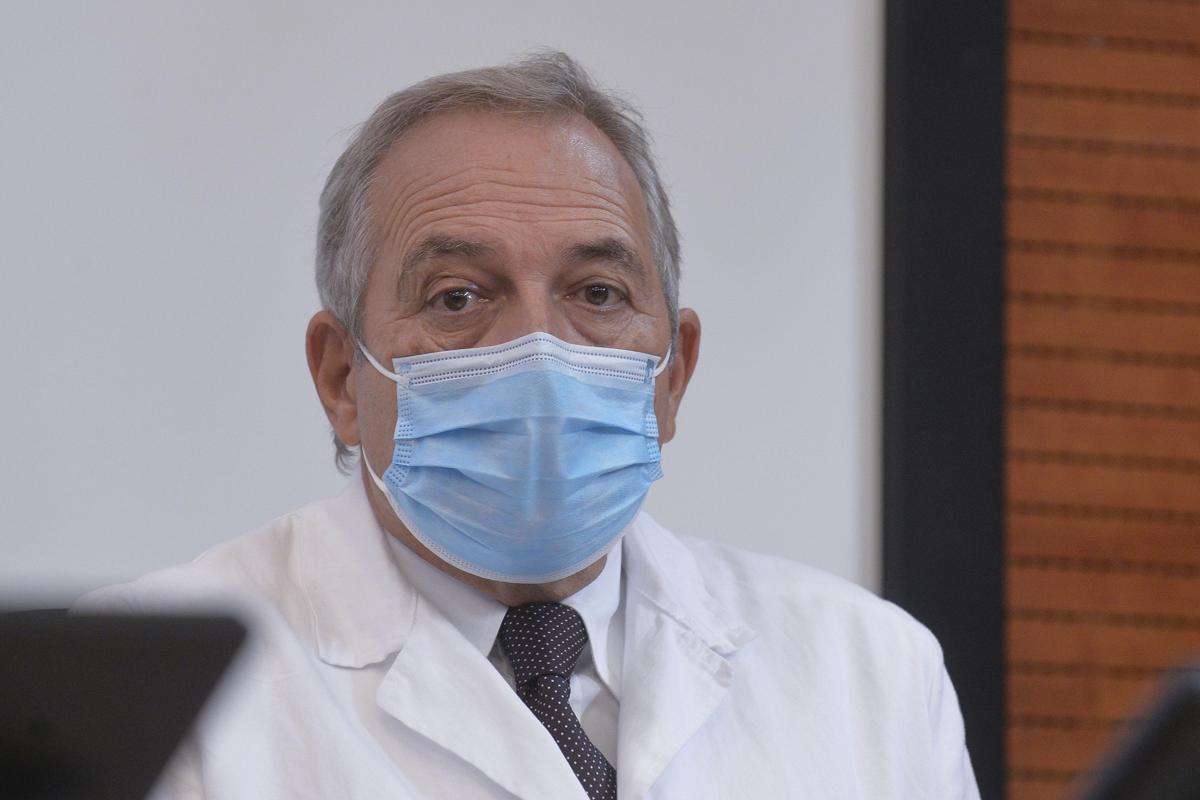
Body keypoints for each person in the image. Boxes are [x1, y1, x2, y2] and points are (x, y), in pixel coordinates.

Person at [77, 51, 980, 799]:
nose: (538, 354)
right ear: (341, 377)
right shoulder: (144, 685)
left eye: (598, 294)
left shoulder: (870, 671)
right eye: (458, 296)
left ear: (673, 376)